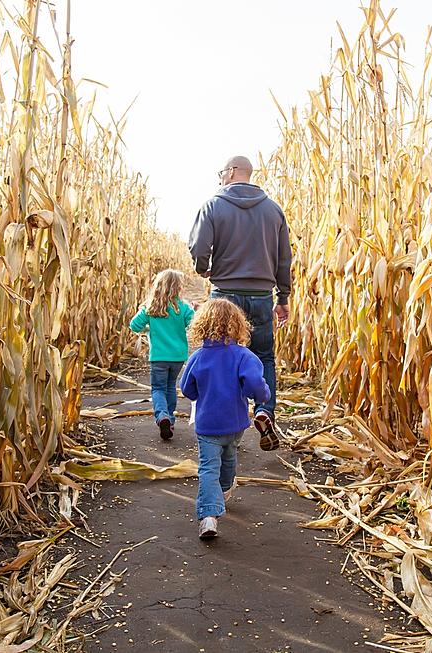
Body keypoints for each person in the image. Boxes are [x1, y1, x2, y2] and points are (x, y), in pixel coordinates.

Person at [188, 155, 291, 451]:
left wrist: (202, 267)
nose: (221, 178)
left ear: (232, 172)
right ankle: (263, 410)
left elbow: (198, 246)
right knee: (263, 356)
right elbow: (284, 258)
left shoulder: (213, 205)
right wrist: (283, 297)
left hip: (224, 294)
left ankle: (222, 425)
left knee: (219, 356)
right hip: (261, 295)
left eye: (222, 172)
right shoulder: (273, 210)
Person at [179, 298, 270, 540]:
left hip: (208, 423)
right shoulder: (243, 356)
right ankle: (224, 491)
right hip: (235, 422)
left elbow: (187, 389)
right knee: (229, 456)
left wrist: (202, 391)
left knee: (209, 466)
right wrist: (263, 397)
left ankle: (209, 516)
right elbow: (255, 386)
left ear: (202, 326)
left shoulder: (198, 357)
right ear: (237, 325)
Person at [129, 269, 195, 440]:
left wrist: (149, 329)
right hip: (178, 356)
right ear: (178, 287)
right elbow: (194, 325)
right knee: (170, 387)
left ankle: (162, 416)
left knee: (158, 388)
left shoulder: (150, 307)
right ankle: (170, 420)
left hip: (158, 356)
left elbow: (134, 326)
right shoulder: (183, 307)